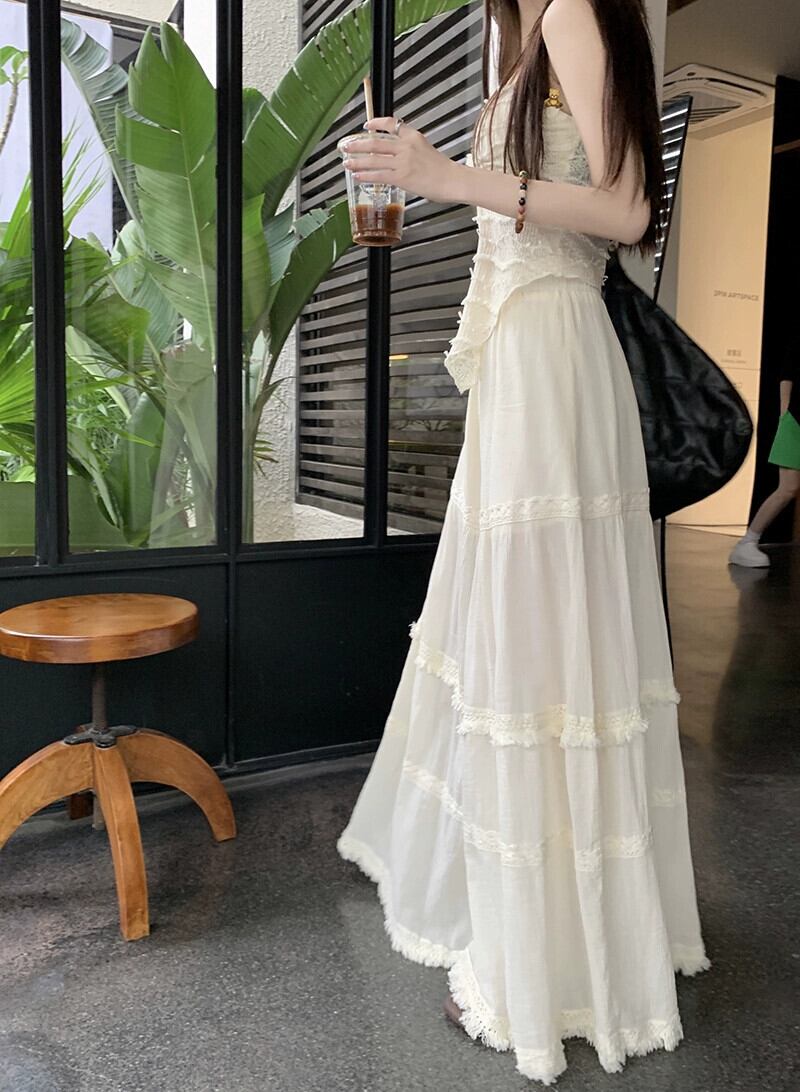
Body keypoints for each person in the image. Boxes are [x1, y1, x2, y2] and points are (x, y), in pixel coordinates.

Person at [337, 0, 710, 1084]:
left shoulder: (577, 12)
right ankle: (530, 921)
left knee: (542, 647)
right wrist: (428, 176)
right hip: (523, 358)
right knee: (522, 637)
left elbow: (627, 208)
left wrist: (446, 175)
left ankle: (549, 961)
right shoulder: (523, 27)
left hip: (553, 354)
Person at [729, 342, 799, 567]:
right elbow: (787, 373)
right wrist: (785, 416)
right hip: (795, 422)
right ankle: (748, 542)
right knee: (788, 488)